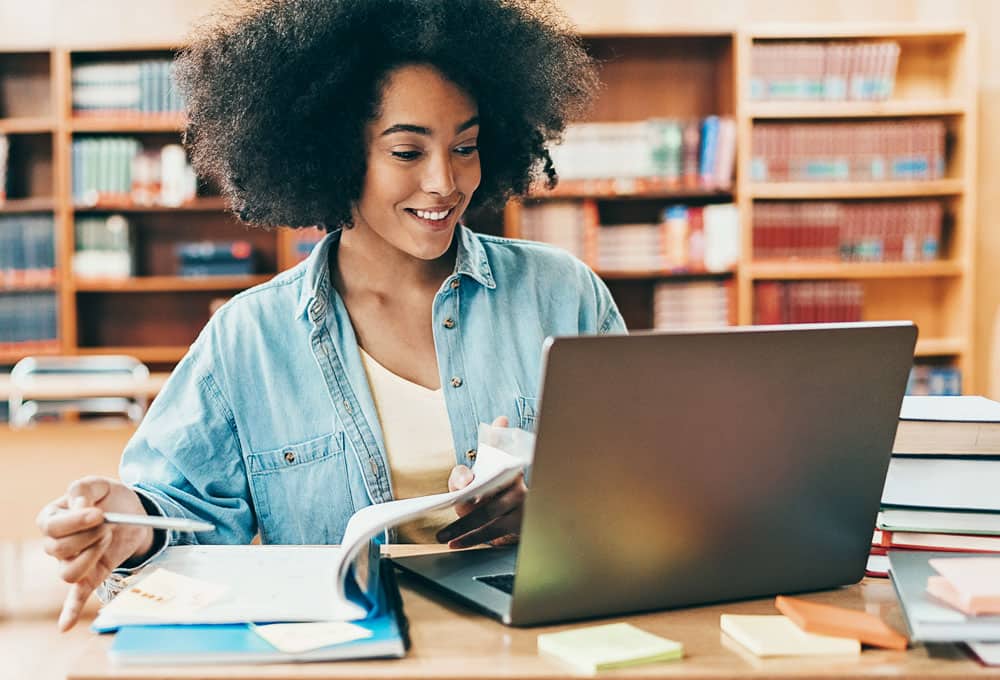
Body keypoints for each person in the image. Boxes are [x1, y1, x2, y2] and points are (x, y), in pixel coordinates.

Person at [37, 0, 625, 631]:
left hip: (540, 649)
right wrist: (130, 527)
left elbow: (645, 492)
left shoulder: (561, 296)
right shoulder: (249, 339)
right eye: (407, 152)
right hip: (346, 657)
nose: (445, 182)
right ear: (336, 155)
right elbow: (184, 520)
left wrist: (553, 514)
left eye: (466, 146)